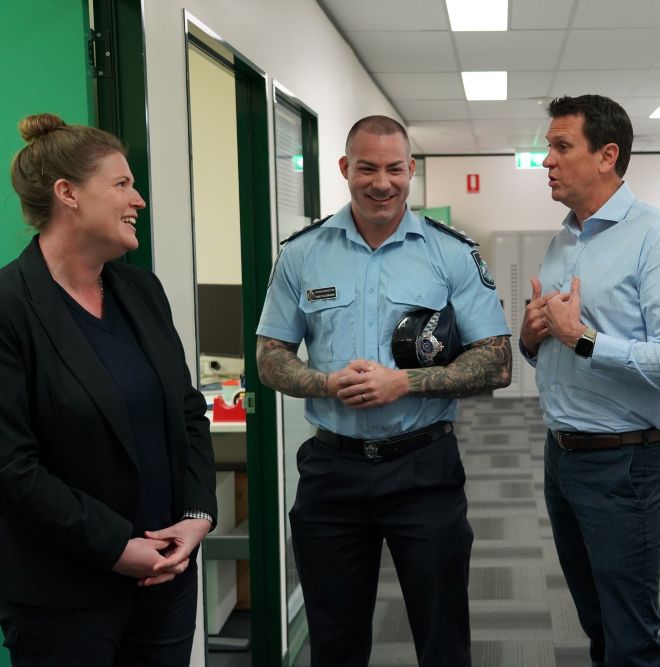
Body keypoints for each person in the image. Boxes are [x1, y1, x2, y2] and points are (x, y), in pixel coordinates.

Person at [255, 115, 511, 667]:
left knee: (443, 640)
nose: (381, 182)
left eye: (394, 169)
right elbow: (269, 358)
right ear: (345, 168)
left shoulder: (450, 252)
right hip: (332, 473)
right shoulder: (302, 254)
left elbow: (497, 361)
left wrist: (407, 382)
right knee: (335, 641)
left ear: (411, 171)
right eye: (366, 168)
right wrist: (323, 383)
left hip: (424, 469)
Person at [0, 114, 217, 666]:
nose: (137, 199)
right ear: (67, 193)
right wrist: (117, 548)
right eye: (121, 184)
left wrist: (197, 515)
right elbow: (11, 467)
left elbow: (188, 412)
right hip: (63, 595)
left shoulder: (140, 290)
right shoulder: (9, 307)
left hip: (165, 579)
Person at [519, 95, 660, 667]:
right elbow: (552, 351)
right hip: (564, 456)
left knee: (630, 633)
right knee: (596, 620)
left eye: (560, 146)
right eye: (547, 146)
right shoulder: (563, 241)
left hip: (627, 465)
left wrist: (586, 339)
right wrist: (532, 338)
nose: (546, 160)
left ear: (607, 156)